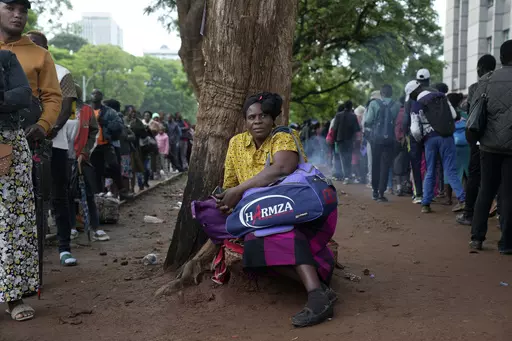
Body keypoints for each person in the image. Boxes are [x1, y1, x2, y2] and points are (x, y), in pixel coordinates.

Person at [218, 92, 337, 327]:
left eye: (263, 115)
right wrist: (225, 198)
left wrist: (239, 190)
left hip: (293, 208)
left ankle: (315, 295)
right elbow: (230, 184)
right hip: (257, 215)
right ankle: (322, 290)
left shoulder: (283, 136)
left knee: (284, 233)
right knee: (252, 251)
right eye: (251, 116)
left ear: (273, 119)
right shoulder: (236, 144)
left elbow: (282, 167)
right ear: (245, 120)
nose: (257, 120)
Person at [26, 30, 78, 265]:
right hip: (22, 143)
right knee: (26, 198)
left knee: (59, 196)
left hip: (53, 144)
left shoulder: (62, 73)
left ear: (46, 48)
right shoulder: (15, 71)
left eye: (36, 44)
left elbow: (66, 108)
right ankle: (29, 251)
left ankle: (64, 248)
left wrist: (49, 129)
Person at [0, 46, 37, 321]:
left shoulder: (5, 58)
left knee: (12, 221)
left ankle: (14, 296)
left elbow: (23, 94)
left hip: (6, 143)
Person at [469, 40, 512, 254]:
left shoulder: (486, 80)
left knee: (485, 190)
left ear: (502, 58)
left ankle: (477, 237)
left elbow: (474, 111)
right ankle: (507, 243)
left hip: (488, 145)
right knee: (508, 194)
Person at [405, 80, 465, 214]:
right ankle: (462, 200)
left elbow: (414, 130)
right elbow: (455, 115)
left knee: (430, 170)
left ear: (415, 92)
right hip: (447, 137)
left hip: (430, 140)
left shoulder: (416, 104)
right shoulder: (442, 96)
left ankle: (425, 204)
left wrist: (421, 139)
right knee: (451, 170)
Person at [457, 54, 497, 226]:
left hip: (479, 139)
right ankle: (502, 219)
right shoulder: (502, 84)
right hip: (501, 139)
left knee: (475, 176)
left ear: (480, 68)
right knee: (500, 179)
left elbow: (470, 110)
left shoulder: (475, 87)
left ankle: (469, 214)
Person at [67, 84, 110, 242]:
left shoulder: (86, 110)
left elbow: (94, 131)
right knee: (68, 194)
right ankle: (71, 227)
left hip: (83, 158)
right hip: (65, 157)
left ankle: (96, 227)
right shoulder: (61, 109)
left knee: (89, 193)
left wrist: (85, 152)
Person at [89, 89, 132, 200]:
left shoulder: (110, 112)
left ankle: (122, 191)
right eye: (93, 93)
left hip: (106, 144)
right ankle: (99, 194)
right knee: (96, 171)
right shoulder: (87, 111)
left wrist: (106, 122)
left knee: (114, 166)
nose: (95, 95)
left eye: (97, 93)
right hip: (92, 146)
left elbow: (119, 127)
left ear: (101, 96)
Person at [403, 69, 437, 204]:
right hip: (432, 133)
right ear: (429, 79)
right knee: (431, 163)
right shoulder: (434, 93)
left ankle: (418, 194)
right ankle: (431, 193)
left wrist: (405, 133)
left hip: (414, 133)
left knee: (416, 163)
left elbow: (407, 116)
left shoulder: (411, 95)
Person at [364, 84, 401, 202]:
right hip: (389, 139)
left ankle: (374, 191)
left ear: (381, 93)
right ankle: (381, 192)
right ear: (391, 93)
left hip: (376, 139)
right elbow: (395, 120)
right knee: (386, 166)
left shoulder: (374, 104)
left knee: (375, 164)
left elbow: (368, 120)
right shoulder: (396, 105)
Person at [332, 100, 361, 184]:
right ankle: (347, 176)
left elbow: (334, 128)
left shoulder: (338, 115)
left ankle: (346, 177)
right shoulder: (353, 116)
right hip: (350, 140)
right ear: (351, 107)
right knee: (348, 158)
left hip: (340, 139)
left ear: (344, 106)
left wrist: (335, 139)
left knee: (342, 158)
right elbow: (357, 129)